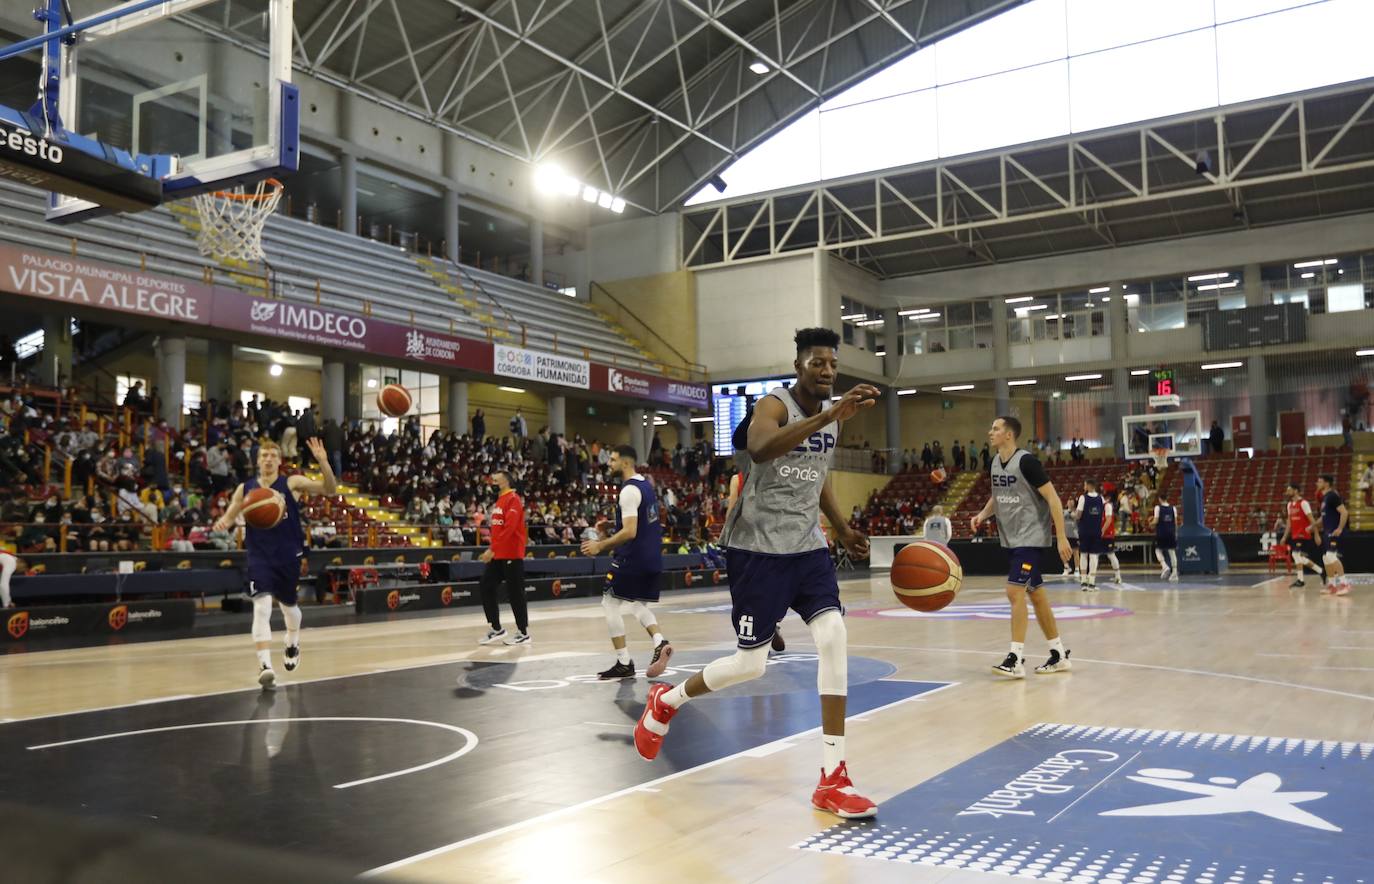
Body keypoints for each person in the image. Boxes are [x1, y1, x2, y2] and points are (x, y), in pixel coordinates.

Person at [634, 327, 881, 820]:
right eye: (817, 363)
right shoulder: (773, 405)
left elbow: (820, 477)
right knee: (751, 665)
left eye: (832, 363)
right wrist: (831, 414)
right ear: (798, 367)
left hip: (807, 548)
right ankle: (668, 700)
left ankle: (833, 776)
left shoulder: (834, 419)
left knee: (834, 635)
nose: (827, 371)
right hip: (758, 550)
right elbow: (763, 449)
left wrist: (843, 527)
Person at [213, 438, 337, 688]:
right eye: (264, 455)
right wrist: (224, 522)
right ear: (257, 460)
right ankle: (264, 665)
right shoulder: (245, 488)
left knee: (289, 607)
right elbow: (230, 514)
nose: (268, 459)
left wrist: (323, 461)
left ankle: (292, 641)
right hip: (259, 555)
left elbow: (330, 490)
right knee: (261, 606)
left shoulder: (292, 483)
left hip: (288, 554)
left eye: (272, 455)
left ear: (280, 461)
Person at [971, 415, 1073, 678]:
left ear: (1009, 435)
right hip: (1012, 539)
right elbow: (997, 496)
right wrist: (982, 515)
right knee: (1036, 596)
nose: (990, 431)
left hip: (1031, 538)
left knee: (1014, 592)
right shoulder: (995, 462)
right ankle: (1058, 654)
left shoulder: (1027, 462)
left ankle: (1015, 658)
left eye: (995, 428)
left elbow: (1053, 498)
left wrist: (1061, 537)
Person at [581, 444, 672, 680]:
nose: (608, 464)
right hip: (652, 556)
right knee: (636, 605)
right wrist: (612, 526)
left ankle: (623, 662)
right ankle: (660, 641)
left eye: (612, 460)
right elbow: (639, 523)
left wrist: (600, 545)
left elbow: (630, 531)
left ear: (625, 462)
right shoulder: (647, 486)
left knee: (609, 603)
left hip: (633, 557)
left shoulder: (628, 491)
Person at [477, 469, 530, 645]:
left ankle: (523, 632)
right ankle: (497, 628)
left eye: (496, 481)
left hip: (512, 554)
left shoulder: (513, 500)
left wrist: (492, 549)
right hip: (499, 554)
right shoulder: (499, 501)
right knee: (486, 585)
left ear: (506, 481)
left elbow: (510, 528)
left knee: (515, 593)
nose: (492, 483)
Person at [1279, 483, 1323, 588]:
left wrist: (1316, 534)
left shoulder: (1304, 503)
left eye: (1289, 490)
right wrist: (1284, 536)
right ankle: (1321, 571)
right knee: (1299, 557)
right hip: (1295, 535)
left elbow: (1312, 519)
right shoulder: (1289, 505)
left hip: (1304, 534)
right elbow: (1289, 522)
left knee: (1295, 554)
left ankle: (1300, 580)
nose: (1287, 492)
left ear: (1296, 490)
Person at [1315, 474, 1350, 596]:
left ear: (1327, 483)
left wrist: (1340, 528)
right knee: (1326, 558)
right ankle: (1332, 586)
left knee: (1331, 557)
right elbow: (1323, 518)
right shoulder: (1325, 498)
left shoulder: (1332, 496)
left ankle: (1345, 584)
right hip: (1327, 532)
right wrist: (1313, 526)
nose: (1317, 484)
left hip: (1334, 532)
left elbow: (1344, 512)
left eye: (1319, 481)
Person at [1074, 479, 1109, 592]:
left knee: (1083, 555)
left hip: (1084, 531)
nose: (1084, 486)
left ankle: (1083, 581)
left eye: (1084, 485)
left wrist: (1075, 515)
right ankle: (1092, 583)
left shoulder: (1083, 498)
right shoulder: (1101, 498)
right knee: (1094, 556)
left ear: (1088, 486)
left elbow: (1078, 515)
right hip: (1096, 531)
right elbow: (1102, 513)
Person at [1151, 492, 1180, 581]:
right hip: (1171, 533)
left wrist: (1150, 524)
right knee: (1172, 552)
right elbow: (1175, 522)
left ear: (1160, 499)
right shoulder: (1173, 508)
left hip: (1162, 532)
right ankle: (1174, 573)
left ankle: (1164, 566)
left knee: (1158, 550)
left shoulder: (1157, 508)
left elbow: (1155, 521)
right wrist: (1175, 533)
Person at [1060, 503, 1078, 577]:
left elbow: (1075, 517)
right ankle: (1066, 567)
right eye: (1069, 500)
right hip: (1065, 535)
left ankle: (1077, 569)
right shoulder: (1064, 511)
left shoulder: (1077, 511)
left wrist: (1071, 511)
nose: (1070, 502)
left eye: (1071, 501)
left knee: (1075, 553)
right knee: (1062, 552)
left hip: (1074, 535)